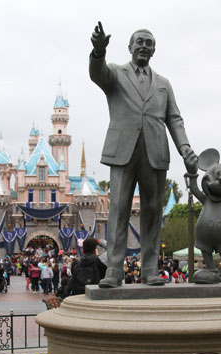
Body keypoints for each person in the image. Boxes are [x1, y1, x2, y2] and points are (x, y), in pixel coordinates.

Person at [89, 22, 197, 288]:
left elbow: (174, 119)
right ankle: (114, 269)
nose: (144, 47)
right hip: (123, 152)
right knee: (118, 210)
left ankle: (150, 269)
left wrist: (185, 148)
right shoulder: (115, 73)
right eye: (139, 42)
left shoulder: (163, 83)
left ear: (154, 50)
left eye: (149, 44)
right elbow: (97, 74)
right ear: (129, 47)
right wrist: (99, 52)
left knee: (151, 211)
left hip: (155, 152)